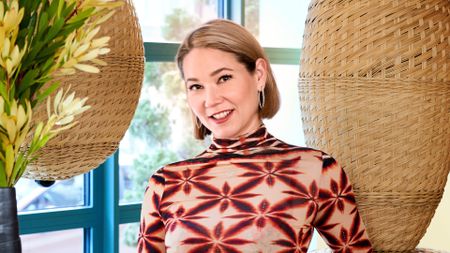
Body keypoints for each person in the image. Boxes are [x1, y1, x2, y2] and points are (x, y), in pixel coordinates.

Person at [138, 19, 373, 253]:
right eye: (196, 86)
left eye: (224, 78)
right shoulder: (166, 183)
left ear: (259, 75)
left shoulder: (315, 169)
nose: (210, 100)